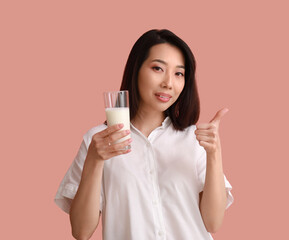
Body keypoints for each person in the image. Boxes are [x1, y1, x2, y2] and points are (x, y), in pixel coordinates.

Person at [55, 29, 233, 240]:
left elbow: (213, 223)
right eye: (158, 68)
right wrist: (94, 160)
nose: (168, 82)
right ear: (135, 69)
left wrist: (214, 154)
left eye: (179, 73)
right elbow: (81, 232)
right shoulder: (98, 141)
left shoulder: (194, 139)